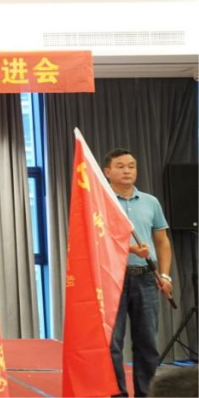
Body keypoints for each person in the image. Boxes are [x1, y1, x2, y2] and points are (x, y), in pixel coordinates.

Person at [104, 148, 174, 398]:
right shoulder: (102, 200)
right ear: (107, 172)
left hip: (146, 277)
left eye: (131, 166)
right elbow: (97, 239)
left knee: (147, 343)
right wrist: (129, 248)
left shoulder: (150, 201)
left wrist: (165, 276)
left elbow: (162, 242)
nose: (127, 171)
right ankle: (118, 394)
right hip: (113, 278)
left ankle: (146, 394)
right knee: (112, 344)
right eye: (120, 166)